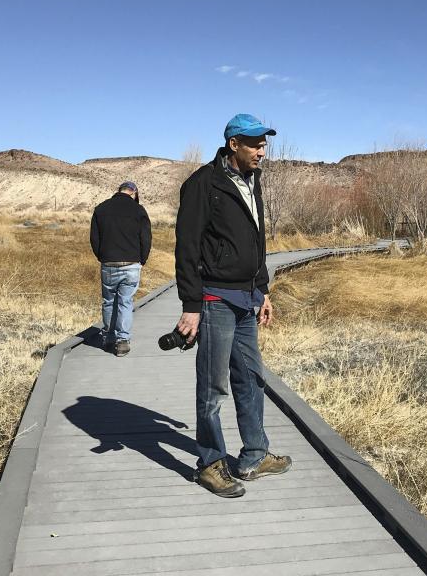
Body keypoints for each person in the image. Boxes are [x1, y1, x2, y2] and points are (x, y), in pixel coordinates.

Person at [174, 114, 292, 497]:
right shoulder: (202, 185)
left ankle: (254, 455)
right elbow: (187, 247)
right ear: (233, 144)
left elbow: (256, 244)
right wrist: (191, 304)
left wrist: (263, 290)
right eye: (255, 143)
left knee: (251, 379)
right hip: (215, 299)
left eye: (264, 143)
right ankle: (209, 464)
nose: (262, 150)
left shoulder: (252, 181)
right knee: (213, 387)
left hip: (247, 299)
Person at [90, 181, 152, 357]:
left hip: (109, 263)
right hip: (131, 264)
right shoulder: (139, 210)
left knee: (109, 301)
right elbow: (145, 238)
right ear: (134, 193)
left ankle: (109, 338)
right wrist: (142, 259)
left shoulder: (101, 209)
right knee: (125, 302)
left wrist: (101, 256)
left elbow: (95, 238)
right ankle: (122, 341)